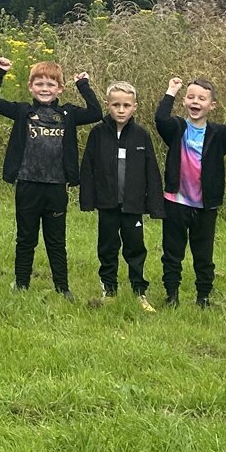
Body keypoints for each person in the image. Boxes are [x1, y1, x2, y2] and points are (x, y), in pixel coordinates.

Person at [0, 55, 100, 296]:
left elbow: (96, 112)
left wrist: (84, 86)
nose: (45, 89)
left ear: (60, 88)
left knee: (56, 241)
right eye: (39, 83)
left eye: (50, 84)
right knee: (26, 238)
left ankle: (62, 288)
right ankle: (21, 283)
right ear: (30, 86)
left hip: (56, 186)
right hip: (27, 183)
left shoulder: (68, 114)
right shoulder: (22, 111)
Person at [154, 75, 226, 308]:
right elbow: (160, 119)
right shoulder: (177, 128)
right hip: (175, 201)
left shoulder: (218, 135)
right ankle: (172, 295)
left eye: (201, 98)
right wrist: (171, 91)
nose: (195, 102)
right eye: (190, 97)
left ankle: (203, 297)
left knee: (203, 255)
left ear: (212, 105)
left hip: (205, 205)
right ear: (184, 102)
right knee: (172, 252)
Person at [77, 80, 162, 302]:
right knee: (107, 247)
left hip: (133, 205)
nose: (121, 110)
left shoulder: (141, 135)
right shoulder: (98, 133)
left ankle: (139, 292)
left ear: (134, 107)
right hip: (107, 204)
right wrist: (87, 200)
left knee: (135, 248)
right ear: (108, 105)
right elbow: (88, 167)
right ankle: (109, 289)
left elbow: (151, 170)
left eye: (126, 105)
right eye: (116, 105)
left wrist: (155, 205)